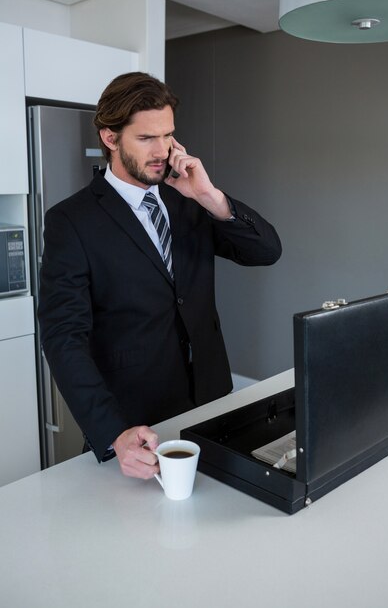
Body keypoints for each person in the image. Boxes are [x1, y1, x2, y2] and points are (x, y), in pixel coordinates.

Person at [38, 71, 282, 480]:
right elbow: (63, 337)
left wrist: (209, 196)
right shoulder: (70, 221)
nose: (162, 149)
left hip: (212, 401)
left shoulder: (187, 198)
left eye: (168, 135)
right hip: (136, 425)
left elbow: (267, 251)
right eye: (146, 138)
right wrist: (112, 431)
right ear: (110, 138)